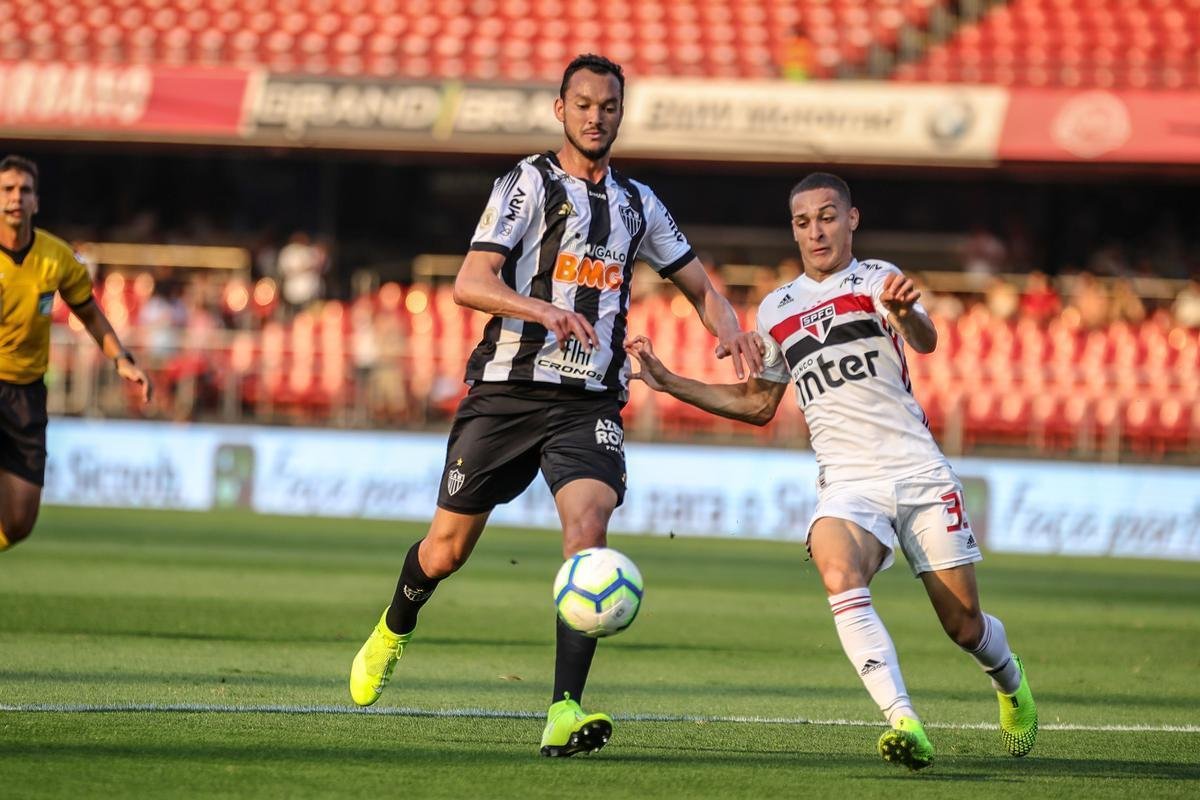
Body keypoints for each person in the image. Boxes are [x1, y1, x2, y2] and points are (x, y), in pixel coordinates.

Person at [347, 55, 761, 757]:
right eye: (584, 104)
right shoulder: (527, 182)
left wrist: (729, 328)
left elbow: (698, 284)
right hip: (507, 394)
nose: (596, 117)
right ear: (559, 109)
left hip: (587, 404)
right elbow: (471, 281)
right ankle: (393, 627)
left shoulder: (639, 203)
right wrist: (539, 308)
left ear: (620, 114)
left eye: (609, 106)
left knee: (587, 534)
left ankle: (564, 711)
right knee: (445, 552)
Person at [625, 173, 1036, 771]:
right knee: (838, 569)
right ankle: (904, 721)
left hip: (918, 472)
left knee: (963, 624)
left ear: (851, 220)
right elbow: (758, 403)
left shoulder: (878, 280)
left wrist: (905, 314)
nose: (814, 231)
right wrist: (669, 383)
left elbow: (925, 340)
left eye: (826, 217)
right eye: (801, 221)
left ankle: (1010, 682)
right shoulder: (776, 308)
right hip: (847, 481)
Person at [0, 155, 152, 551]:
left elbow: (90, 314)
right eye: (7, 189)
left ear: (36, 202)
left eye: (25, 190)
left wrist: (122, 359)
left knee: (18, 523)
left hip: (27, 394)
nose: (16, 197)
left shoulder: (58, 258)